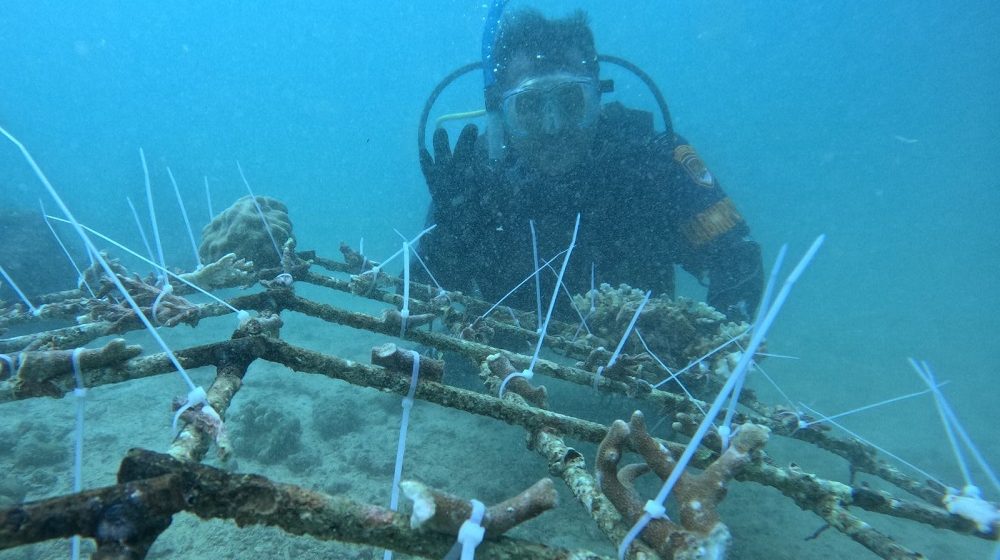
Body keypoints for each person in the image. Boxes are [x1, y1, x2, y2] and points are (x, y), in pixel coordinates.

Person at [418, 8, 763, 323]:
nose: (553, 128)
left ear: (598, 96)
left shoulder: (653, 163)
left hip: (636, 373)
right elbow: (421, 296)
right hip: (500, 368)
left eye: (571, 101)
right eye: (530, 106)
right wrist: (447, 236)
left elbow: (736, 258)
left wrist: (710, 357)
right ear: (502, 114)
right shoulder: (474, 179)